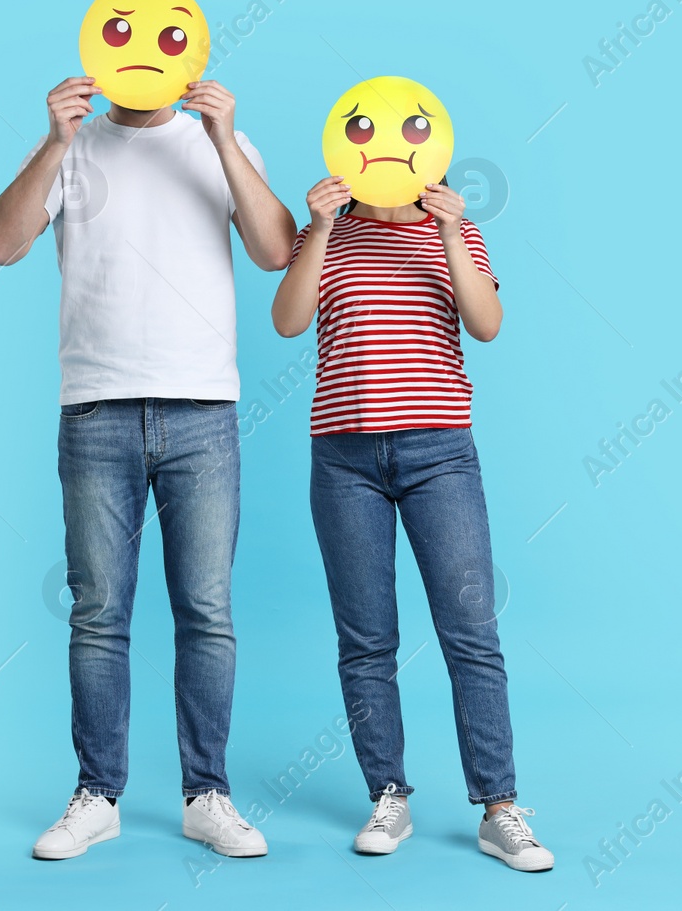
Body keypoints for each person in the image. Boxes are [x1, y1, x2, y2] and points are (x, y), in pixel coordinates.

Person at [0, 69, 295, 860]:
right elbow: (0, 243)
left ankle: (207, 793)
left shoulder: (220, 143)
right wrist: (54, 140)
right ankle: (98, 793)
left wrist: (226, 138)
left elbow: (275, 251)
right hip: (95, 408)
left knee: (207, 610)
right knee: (98, 613)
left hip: (202, 410)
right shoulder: (73, 145)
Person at [270, 173, 554, 872]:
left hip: (440, 452)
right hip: (343, 457)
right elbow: (287, 320)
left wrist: (454, 230)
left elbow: (486, 324)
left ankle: (499, 806)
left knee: (471, 631)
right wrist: (322, 227)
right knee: (365, 637)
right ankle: (388, 793)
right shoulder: (326, 231)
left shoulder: (453, 229)